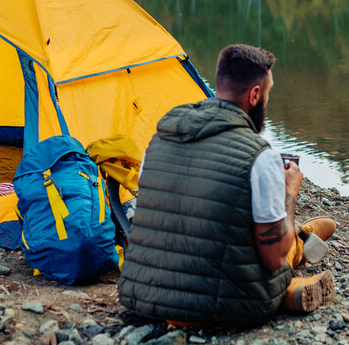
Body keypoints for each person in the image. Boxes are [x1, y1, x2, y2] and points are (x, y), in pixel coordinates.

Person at [118, 44, 337, 327]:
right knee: (278, 254)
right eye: (267, 94)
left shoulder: (158, 138)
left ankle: (302, 240)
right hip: (219, 306)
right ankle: (299, 244)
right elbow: (273, 258)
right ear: (255, 95)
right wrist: (289, 193)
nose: (266, 103)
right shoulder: (260, 155)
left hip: (142, 296)